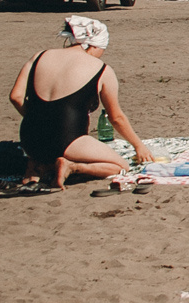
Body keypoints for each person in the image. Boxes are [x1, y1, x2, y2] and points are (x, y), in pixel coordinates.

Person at [8, 16, 154, 187]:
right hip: (68, 138)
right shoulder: (102, 69)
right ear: (94, 45)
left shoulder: (39, 56)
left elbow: (15, 96)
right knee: (120, 166)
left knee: (46, 148)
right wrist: (139, 146)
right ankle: (72, 166)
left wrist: (38, 119)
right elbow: (116, 117)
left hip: (29, 139)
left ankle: (41, 165)